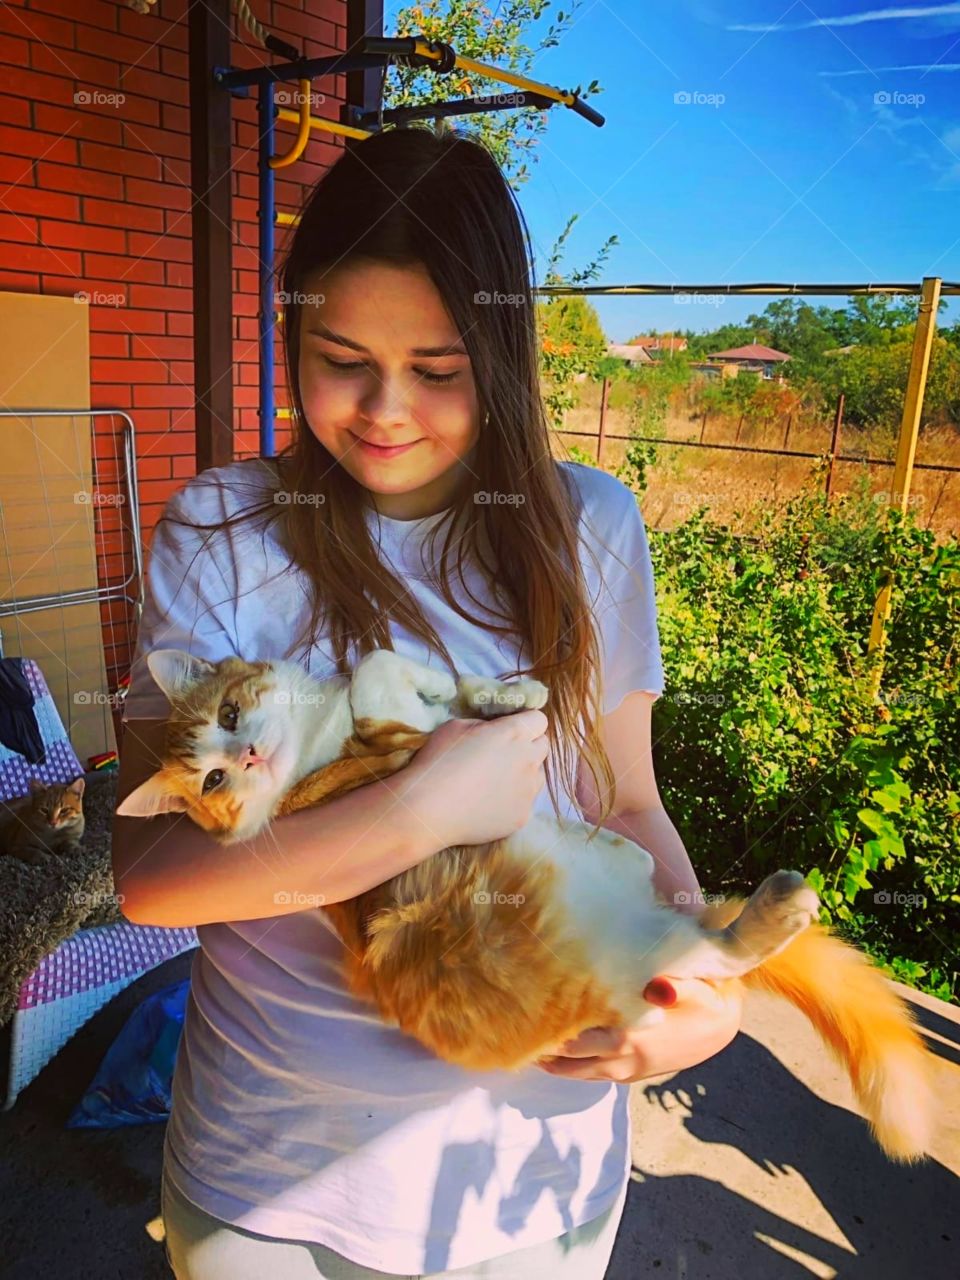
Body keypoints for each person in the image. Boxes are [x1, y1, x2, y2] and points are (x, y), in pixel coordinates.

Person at [112, 126, 742, 1280]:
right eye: (338, 355)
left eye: (439, 370)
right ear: (291, 329)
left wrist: (700, 985)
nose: (384, 410)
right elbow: (151, 876)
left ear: (499, 359)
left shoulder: (586, 527)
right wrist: (415, 813)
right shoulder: (221, 529)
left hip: (533, 1172)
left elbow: (630, 804)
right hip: (273, 1173)